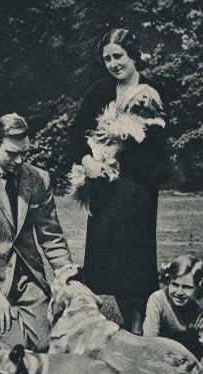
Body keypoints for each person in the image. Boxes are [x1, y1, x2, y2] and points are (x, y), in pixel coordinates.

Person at [67, 28, 172, 334]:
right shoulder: (99, 92)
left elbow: (158, 135)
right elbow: (74, 134)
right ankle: (135, 321)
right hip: (103, 182)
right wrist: (87, 161)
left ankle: (141, 324)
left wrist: (122, 135)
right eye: (107, 58)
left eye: (118, 56)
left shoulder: (151, 91)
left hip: (137, 182)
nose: (113, 63)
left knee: (134, 256)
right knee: (107, 256)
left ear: (133, 56)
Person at [0, 113, 79, 352]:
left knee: (45, 346)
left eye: (25, 153)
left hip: (28, 280)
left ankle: (11, 325)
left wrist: (67, 275)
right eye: (12, 153)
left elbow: (51, 236)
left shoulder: (39, 179)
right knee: (18, 351)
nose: (20, 160)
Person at [143, 255, 203, 374]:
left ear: (198, 289)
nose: (179, 292)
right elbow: (149, 341)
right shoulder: (158, 300)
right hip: (157, 356)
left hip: (184, 359)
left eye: (187, 287)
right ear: (168, 281)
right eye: (175, 284)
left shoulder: (196, 312)